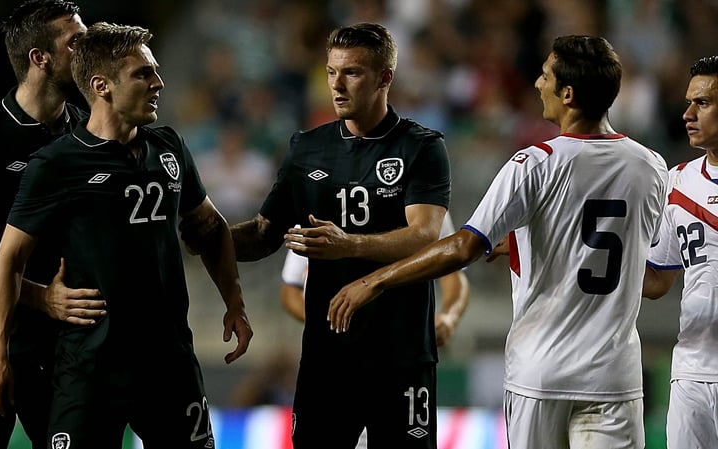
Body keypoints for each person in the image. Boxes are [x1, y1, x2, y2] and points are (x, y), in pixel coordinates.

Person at [327, 35, 669, 449]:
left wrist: (375, 280)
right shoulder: (651, 166)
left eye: (545, 76)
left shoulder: (536, 163)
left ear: (568, 94)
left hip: (540, 375)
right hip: (614, 378)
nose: (537, 84)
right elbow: (649, 279)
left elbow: (463, 248)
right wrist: (548, 249)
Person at [0, 22, 252, 449]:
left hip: (169, 362)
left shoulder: (169, 147)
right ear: (101, 86)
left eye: (155, 72)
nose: (158, 83)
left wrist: (234, 299)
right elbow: (10, 258)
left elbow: (210, 225)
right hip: (90, 365)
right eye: (143, 74)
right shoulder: (57, 164)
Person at [230, 22, 450, 449]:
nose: (336, 84)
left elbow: (425, 236)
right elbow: (263, 233)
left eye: (352, 72)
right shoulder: (305, 148)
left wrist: (349, 244)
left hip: (402, 354)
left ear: (385, 77)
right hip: (327, 356)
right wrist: (202, 236)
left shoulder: (421, 147)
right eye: (331, 72)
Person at [0, 2, 105, 448]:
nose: (87, 51)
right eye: (75, 42)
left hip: (62, 340)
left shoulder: (87, 135)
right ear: (39, 58)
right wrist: (42, 297)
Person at [643, 55, 718, 449]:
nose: (688, 114)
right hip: (692, 370)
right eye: (689, 103)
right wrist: (573, 259)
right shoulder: (676, 183)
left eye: (703, 103)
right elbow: (657, 281)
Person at [280, 211, 469, 347]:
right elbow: (290, 289)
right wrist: (329, 321)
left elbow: (453, 271)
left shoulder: (425, 206)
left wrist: (449, 317)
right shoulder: (321, 204)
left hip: (403, 343)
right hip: (338, 350)